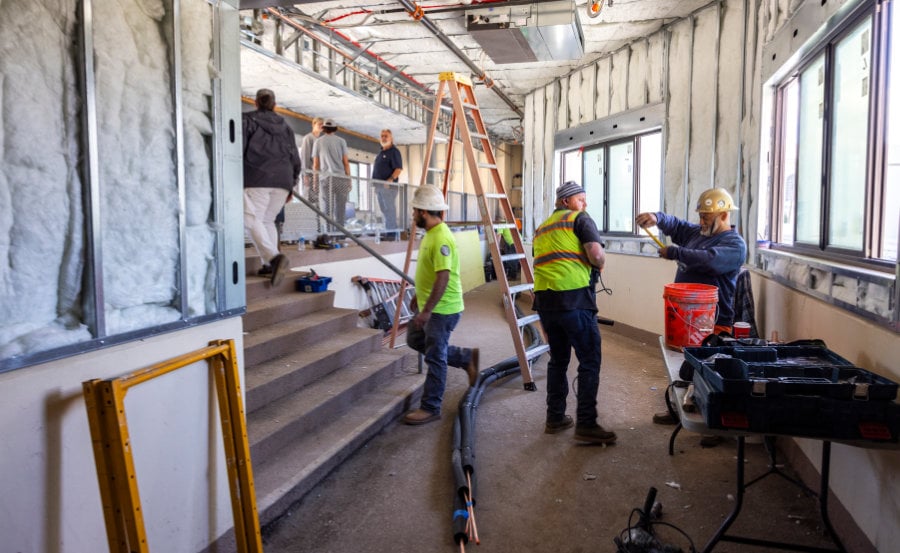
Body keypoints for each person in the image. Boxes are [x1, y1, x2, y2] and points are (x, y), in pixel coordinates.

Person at [635, 187, 747, 446]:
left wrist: (675, 252)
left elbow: (709, 261)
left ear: (723, 215)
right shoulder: (698, 234)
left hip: (714, 321)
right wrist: (657, 218)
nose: (701, 221)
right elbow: (677, 225)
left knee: (711, 374)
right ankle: (678, 410)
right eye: (701, 216)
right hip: (687, 317)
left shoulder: (734, 244)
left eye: (707, 217)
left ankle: (717, 426)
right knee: (684, 370)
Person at [532, 181, 617, 444]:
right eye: (581, 199)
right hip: (575, 300)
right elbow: (596, 255)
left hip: (546, 303)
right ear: (566, 201)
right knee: (590, 359)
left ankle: (555, 418)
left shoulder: (542, 228)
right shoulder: (580, 219)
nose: (585, 204)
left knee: (558, 361)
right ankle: (586, 424)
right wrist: (600, 263)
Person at [402, 185, 479, 425]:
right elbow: (430, 272)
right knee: (414, 339)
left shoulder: (441, 237)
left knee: (435, 356)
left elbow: (443, 276)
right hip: (430, 305)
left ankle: (431, 407)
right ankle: (466, 358)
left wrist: (426, 311)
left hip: (442, 310)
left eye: (415, 211)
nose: (413, 215)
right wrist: (418, 295)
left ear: (424, 212)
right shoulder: (431, 235)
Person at [242, 88, 300, 286]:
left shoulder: (248, 120)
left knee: (250, 219)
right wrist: (291, 184)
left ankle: (274, 258)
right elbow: (295, 156)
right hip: (283, 180)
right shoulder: (286, 127)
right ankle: (268, 263)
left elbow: (238, 147)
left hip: (257, 177)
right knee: (268, 220)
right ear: (274, 104)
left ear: (256, 102)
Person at [312, 119, 351, 229]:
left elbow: (315, 165)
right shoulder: (341, 141)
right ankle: (340, 234)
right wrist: (349, 180)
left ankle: (329, 232)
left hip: (325, 179)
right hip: (341, 178)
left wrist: (315, 182)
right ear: (334, 129)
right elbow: (346, 163)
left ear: (324, 128)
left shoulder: (318, 142)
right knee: (340, 207)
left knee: (327, 207)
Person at [372, 129, 403, 240]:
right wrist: (376, 186)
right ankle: (388, 231)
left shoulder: (394, 152)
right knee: (384, 210)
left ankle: (391, 234)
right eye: (382, 136)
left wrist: (389, 180)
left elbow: (398, 169)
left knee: (390, 209)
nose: (383, 138)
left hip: (388, 187)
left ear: (391, 138)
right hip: (379, 187)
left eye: (386, 136)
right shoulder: (381, 153)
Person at [299, 117, 324, 208]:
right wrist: (305, 175)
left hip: (318, 175)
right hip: (309, 173)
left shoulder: (321, 140)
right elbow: (305, 157)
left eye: (323, 124)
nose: (321, 126)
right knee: (309, 199)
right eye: (319, 124)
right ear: (314, 124)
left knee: (318, 200)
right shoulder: (308, 138)